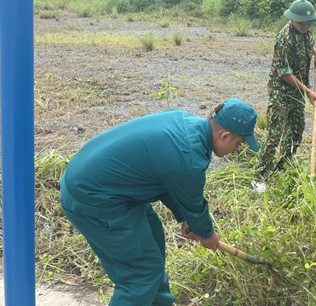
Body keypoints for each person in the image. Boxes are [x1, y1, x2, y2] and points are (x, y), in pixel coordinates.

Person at [60, 99, 259, 306]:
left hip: (109, 188)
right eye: (239, 143)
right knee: (142, 274)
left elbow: (169, 181)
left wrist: (186, 219)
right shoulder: (189, 157)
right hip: (94, 198)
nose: (238, 149)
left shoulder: (184, 122)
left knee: (154, 245)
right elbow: (194, 204)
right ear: (225, 136)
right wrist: (207, 234)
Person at [256, 0, 316, 182]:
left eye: (308, 23)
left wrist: (315, 53)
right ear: (293, 19)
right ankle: (260, 176)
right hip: (281, 90)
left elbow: (308, 43)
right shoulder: (283, 38)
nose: (306, 26)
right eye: (302, 22)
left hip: (298, 90)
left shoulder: (306, 31)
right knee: (275, 134)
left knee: (296, 130)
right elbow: (285, 73)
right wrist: (308, 92)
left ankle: (283, 166)